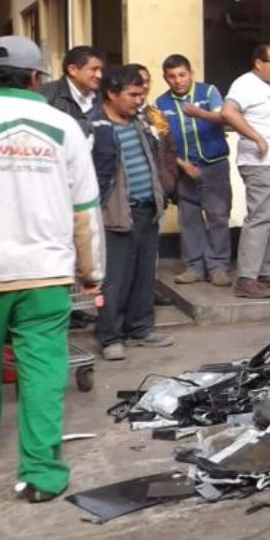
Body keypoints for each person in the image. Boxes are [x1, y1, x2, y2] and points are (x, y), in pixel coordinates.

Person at [0, 35, 103, 503]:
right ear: (37, 77)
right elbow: (85, 208)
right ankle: (41, 474)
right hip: (46, 272)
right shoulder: (64, 126)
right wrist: (91, 270)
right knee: (42, 371)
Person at [90, 67, 176, 360]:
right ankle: (110, 335)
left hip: (146, 210)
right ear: (112, 94)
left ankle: (140, 328)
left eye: (142, 94)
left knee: (144, 274)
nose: (139, 100)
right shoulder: (94, 127)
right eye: (132, 94)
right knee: (114, 279)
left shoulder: (140, 121)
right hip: (114, 214)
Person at [220, 43, 270, 300]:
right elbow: (228, 112)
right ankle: (246, 278)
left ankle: (266, 270)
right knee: (261, 218)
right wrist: (257, 138)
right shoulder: (245, 84)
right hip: (262, 162)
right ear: (258, 63)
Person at [155, 54, 234, 287]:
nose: (178, 80)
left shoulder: (208, 93)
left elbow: (223, 118)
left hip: (214, 163)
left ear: (191, 73)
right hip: (184, 168)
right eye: (172, 76)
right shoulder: (161, 103)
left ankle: (218, 266)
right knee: (189, 218)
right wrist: (181, 164)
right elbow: (162, 140)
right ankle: (194, 267)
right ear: (165, 78)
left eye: (182, 75)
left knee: (218, 215)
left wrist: (200, 113)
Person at [41, 45, 104, 137]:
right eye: (93, 69)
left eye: (100, 70)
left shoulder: (104, 96)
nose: (99, 75)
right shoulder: (46, 96)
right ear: (72, 70)